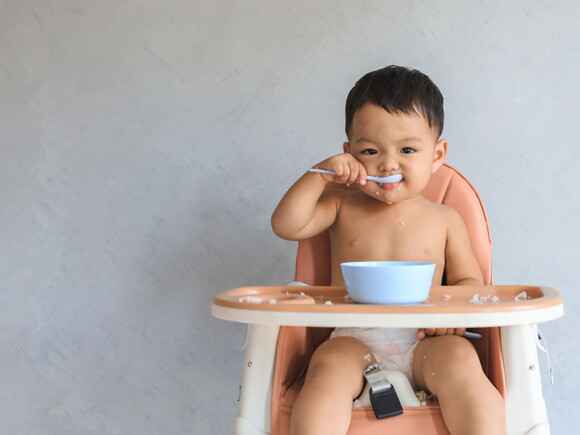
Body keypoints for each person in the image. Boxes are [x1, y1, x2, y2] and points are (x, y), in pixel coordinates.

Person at [271, 65, 505, 435]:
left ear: (437, 155)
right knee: (327, 367)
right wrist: (319, 174)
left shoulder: (446, 218)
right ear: (349, 154)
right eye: (370, 150)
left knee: (461, 359)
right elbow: (286, 225)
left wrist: (451, 315)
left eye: (408, 149)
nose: (388, 163)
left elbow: (469, 281)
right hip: (353, 337)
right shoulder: (340, 204)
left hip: (424, 341)